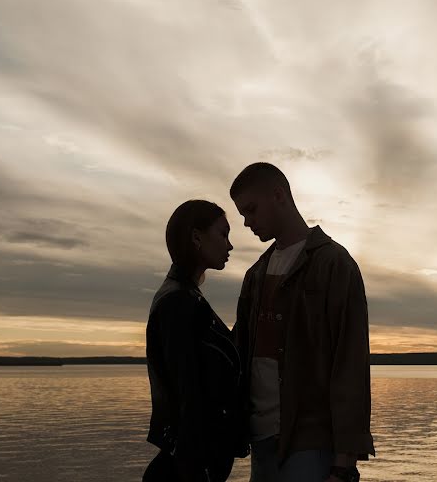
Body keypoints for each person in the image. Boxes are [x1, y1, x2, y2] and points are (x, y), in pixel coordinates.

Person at [230, 163, 375, 482]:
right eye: (243, 214)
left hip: (311, 445)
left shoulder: (334, 265)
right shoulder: (255, 274)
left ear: (278, 195)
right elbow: (237, 357)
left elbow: (350, 365)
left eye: (251, 210)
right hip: (260, 442)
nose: (246, 222)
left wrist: (343, 464)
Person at [144, 200, 248, 482]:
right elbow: (188, 392)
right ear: (196, 237)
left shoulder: (187, 297)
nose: (230, 246)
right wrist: (195, 470)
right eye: (223, 234)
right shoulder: (177, 303)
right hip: (186, 469)